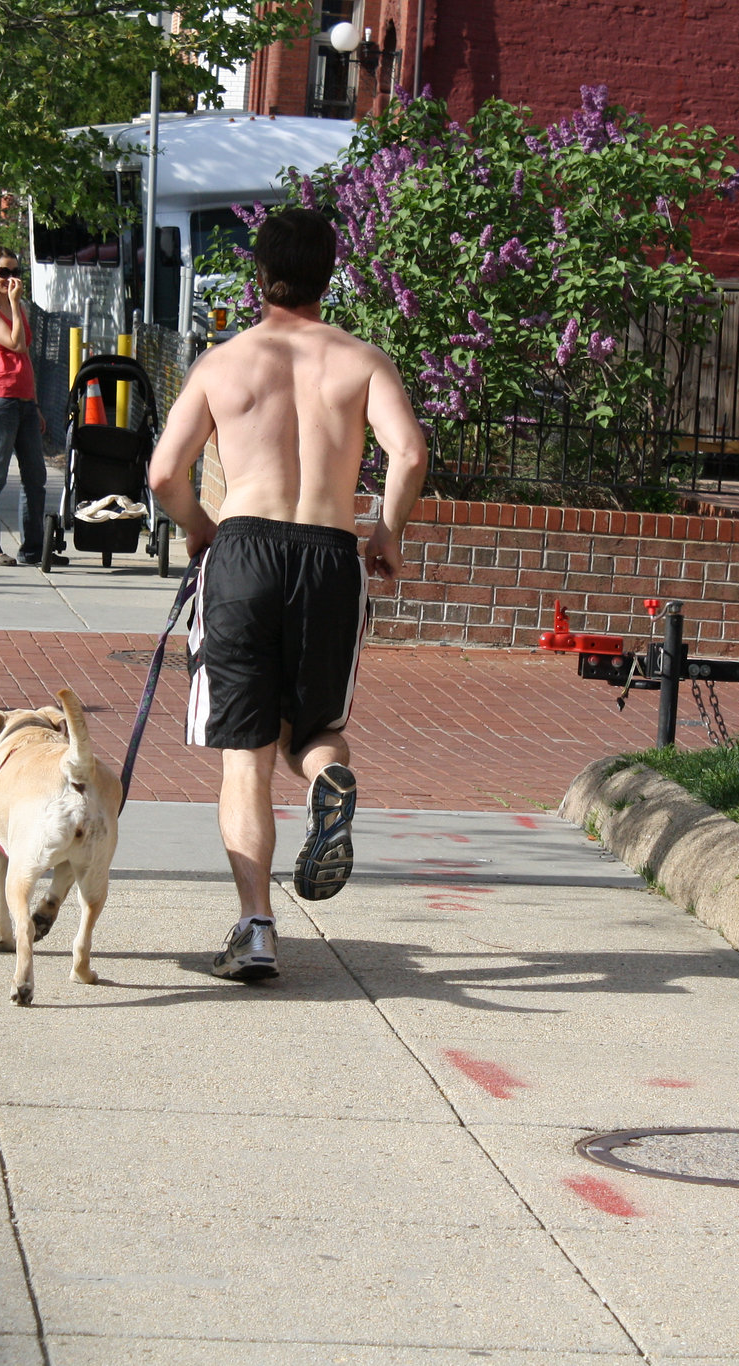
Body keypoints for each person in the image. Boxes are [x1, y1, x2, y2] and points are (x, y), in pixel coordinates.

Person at [146, 208, 428, 982]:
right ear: (329, 276)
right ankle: (328, 780)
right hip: (332, 556)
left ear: (258, 276)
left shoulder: (222, 363)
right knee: (315, 729)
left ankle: (257, 928)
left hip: (242, 552)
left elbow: (164, 476)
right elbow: (408, 452)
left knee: (245, 758)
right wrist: (387, 533)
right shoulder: (362, 360)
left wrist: (204, 531)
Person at [0, 247, 63, 567]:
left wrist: (34, 403)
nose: (9, 279)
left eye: (14, 272)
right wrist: (12, 302)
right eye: (2, 272)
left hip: (23, 400)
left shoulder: (18, 308)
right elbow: (15, 344)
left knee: (35, 477)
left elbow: (24, 359)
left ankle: (33, 549)